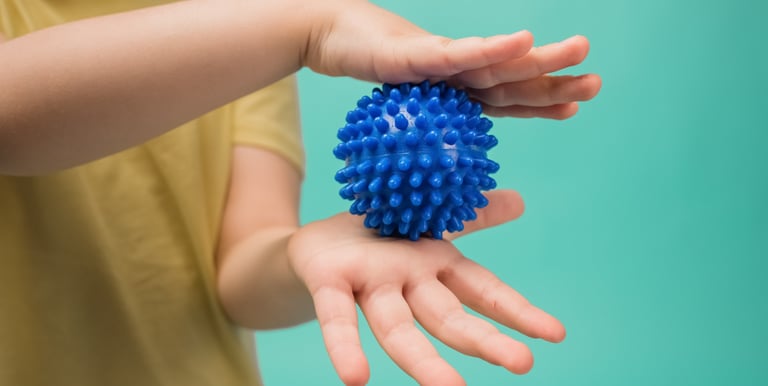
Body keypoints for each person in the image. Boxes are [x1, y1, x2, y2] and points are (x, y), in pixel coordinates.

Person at [0, 0, 602, 385]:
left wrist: (300, 260)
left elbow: (239, 282)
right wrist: (308, 27)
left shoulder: (250, 37)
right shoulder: (267, 31)